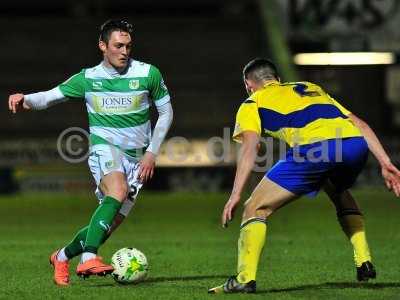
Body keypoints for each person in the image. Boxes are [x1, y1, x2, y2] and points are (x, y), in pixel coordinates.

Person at [208, 58, 400, 294]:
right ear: (278, 79)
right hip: (354, 145)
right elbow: (359, 123)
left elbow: (249, 148)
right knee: (335, 188)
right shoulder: (310, 88)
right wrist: (385, 162)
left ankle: (244, 279)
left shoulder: (252, 101)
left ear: (248, 84)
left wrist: (235, 194)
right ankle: (364, 260)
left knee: (254, 208)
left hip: (315, 150)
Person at [8, 19, 173, 286]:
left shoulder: (148, 73)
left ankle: (61, 256)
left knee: (105, 226)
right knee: (116, 192)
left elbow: (166, 112)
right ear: (102, 46)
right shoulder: (88, 78)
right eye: (118, 45)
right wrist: (24, 99)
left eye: (128, 46)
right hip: (104, 148)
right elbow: (49, 97)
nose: (124, 51)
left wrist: (152, 152)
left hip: (138, 158)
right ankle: (88, 258)